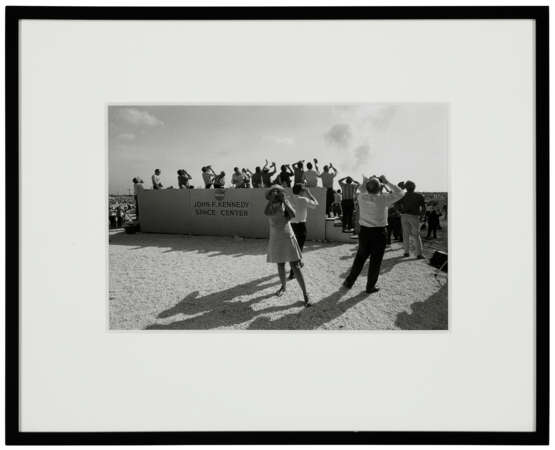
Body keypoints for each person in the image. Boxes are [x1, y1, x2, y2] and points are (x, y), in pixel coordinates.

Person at [343, 175, 404, 293]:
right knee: (375, 261)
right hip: (379, 233)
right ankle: (370, 286)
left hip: (364, 232)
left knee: (359, 259)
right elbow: (401, 193)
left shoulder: (361, 197)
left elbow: (362, 189)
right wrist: (386, 182)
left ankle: (349, 282)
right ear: (380, 187)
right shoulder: (384, 199)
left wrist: (367, 180)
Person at [264, 185, 310, 307]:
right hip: (276, 237)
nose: (275, 193)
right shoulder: (269, 206)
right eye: (273, 191)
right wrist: (272, 201)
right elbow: (266, 213)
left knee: (295, 265)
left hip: (287, 236)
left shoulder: (285, 203)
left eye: (277, 191)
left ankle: (305, 293)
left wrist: (284, 200)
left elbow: (293, 214)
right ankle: (283, 287)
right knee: (280, 264)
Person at [286, 184, 318, 279]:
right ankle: (293, 272)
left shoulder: (288, 198)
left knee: (293, 249)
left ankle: (297, 263)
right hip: (301, 227)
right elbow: (316, 204)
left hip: (290, 226)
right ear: (301, 191)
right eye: (303, 190)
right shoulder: (303, 199)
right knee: (298, 249)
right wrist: (309, 194)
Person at [398, 180, 425, 258]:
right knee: (416, 235)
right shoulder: (419, 196)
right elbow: (423, 207)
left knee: (405, 235)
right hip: (414, 216)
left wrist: (400, 211)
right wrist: (422, 215)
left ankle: (406, 252)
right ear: (414, 187)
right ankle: (419, 254)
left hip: (404, 215)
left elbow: (396, 204)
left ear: (406, 188)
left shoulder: (402, 195)